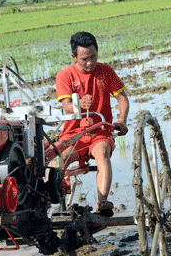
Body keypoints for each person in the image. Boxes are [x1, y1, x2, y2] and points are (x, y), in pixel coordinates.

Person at [55, 31, 129, 216]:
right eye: (84, 59)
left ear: (97, 51)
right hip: (74, 133)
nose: (90, 63)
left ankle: (102, 202)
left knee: (102, 153)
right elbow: (67, 106)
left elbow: (122, 98)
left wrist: (122, 120)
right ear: (74, 57)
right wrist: (78, 105)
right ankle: (55, 205)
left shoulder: (106, 71)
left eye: (93, 56)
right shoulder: (65, 75)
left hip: (100, 131)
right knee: (56, 161)